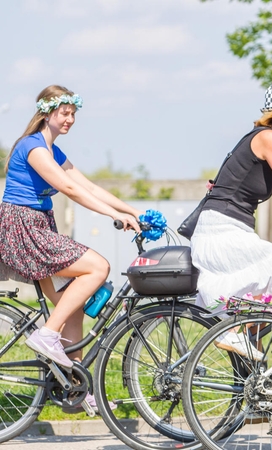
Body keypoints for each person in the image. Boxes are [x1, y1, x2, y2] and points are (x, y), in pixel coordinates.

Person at [0, 85, 142, 413]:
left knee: (72, 305)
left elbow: (87, 185)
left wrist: (129, 210)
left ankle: (74, 389)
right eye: (65, 112)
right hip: (23, 228)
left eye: (74, 113)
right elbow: (68, 189)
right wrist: (113, 216)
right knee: (98, 267)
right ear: (46, 112)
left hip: (37, 225)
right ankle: (47, 334)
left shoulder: (53, 151)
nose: (71, 119)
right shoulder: (33, 147)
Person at [190, 80, 272, 360]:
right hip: (221, 231)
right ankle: (239, 329)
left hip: (228, 227)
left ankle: (255, 386)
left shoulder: (268, 139)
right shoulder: (267, 137)